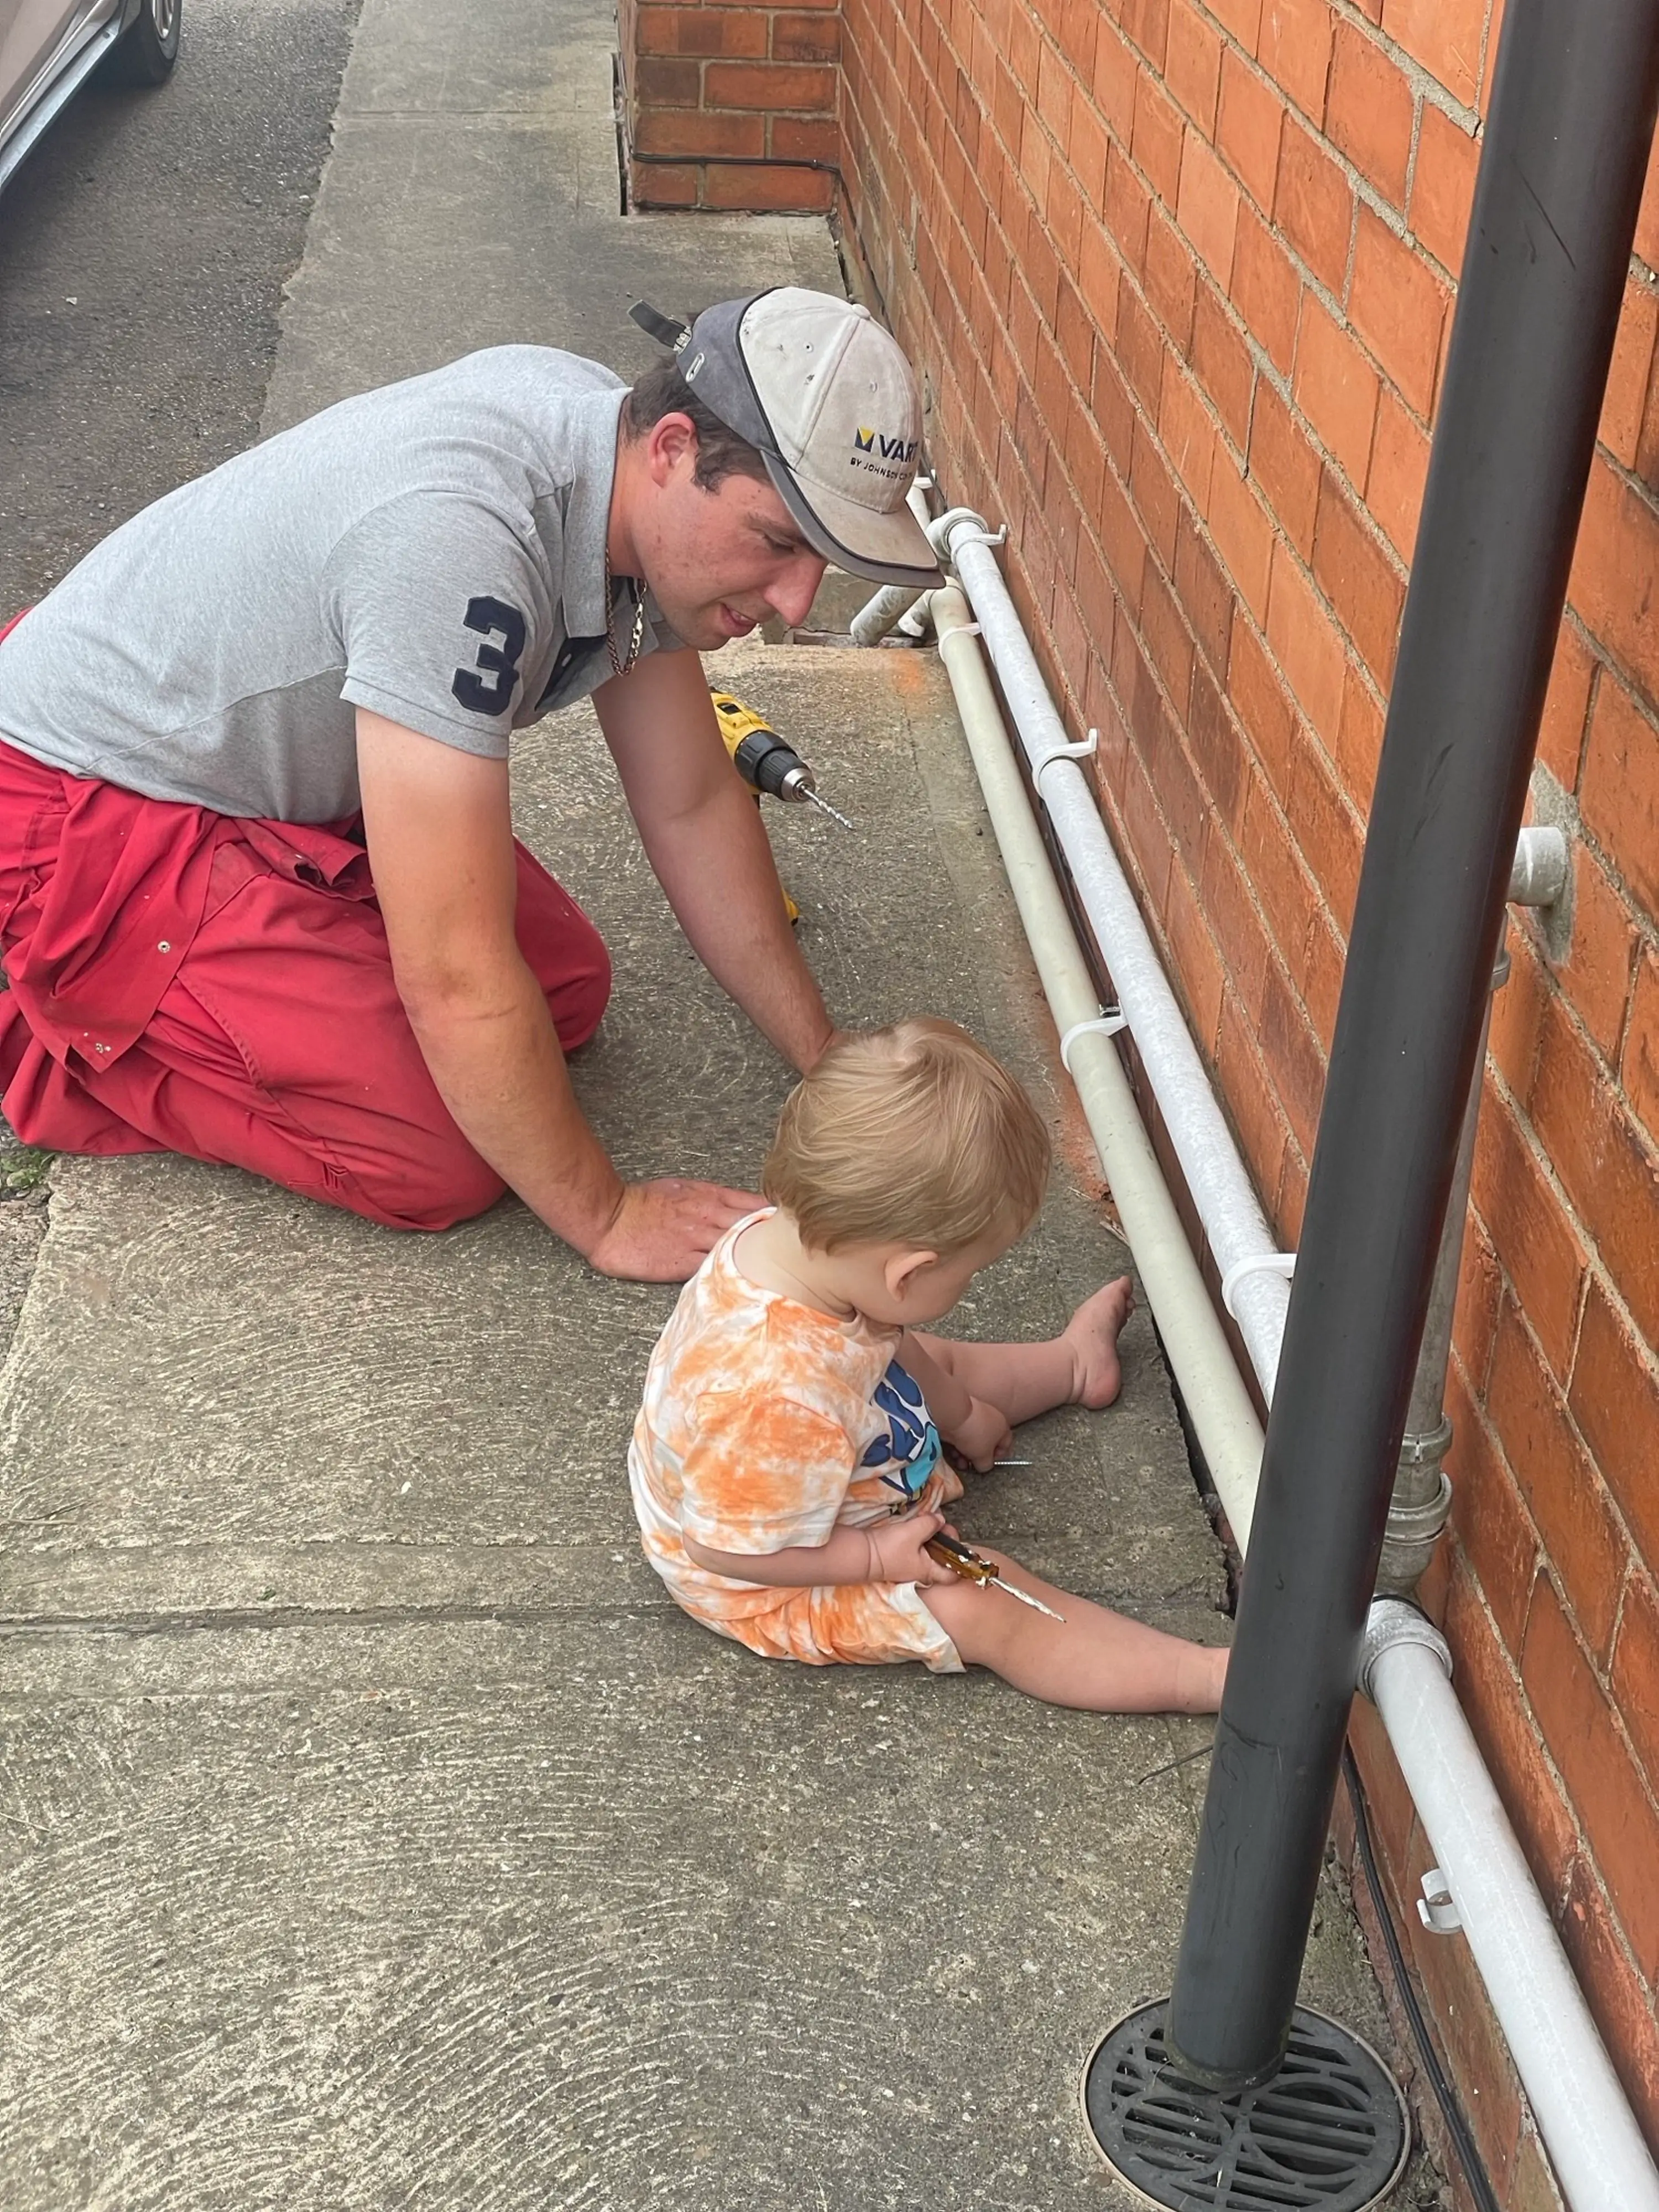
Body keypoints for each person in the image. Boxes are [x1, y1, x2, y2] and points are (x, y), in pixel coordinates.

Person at [0, 288, 941, 1280]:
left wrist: (825, 1060)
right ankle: (46, 1021)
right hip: (71, 798)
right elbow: (451, 974)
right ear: (671, 449)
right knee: (436, 1153)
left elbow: (694, 802)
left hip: (233, 764)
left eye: (822, 558)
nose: (796, 603)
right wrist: (606, 1215)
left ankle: (266, 943)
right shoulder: (463, 549)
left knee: (561, 996)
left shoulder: (612, 458)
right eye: (779, 542)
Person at [629, 1018, 1230, 1713]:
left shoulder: (798, 1244)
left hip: (793, 1461)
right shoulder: (769, 1396)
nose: (967, 1288)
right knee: (983, 1600)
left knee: (936, 1361)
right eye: (970, 1274)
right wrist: (875, 1558)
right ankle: (1206, 1679)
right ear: (907, 1275)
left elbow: (885, 1338)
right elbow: (724, 1550)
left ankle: (1073, 1366)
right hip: (772, 1572)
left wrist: (964, 1415)